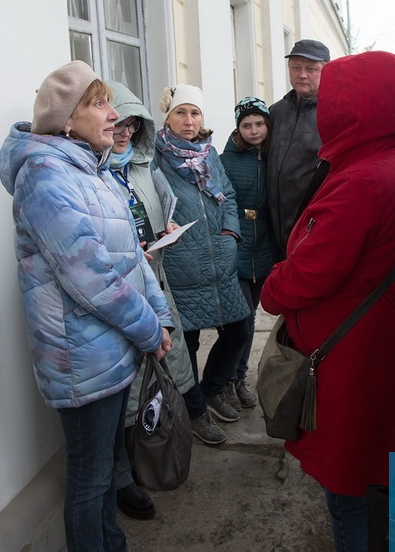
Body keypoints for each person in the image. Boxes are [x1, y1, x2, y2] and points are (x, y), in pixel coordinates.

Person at [0, 61, 173, 551]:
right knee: (90, 479)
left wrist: (157, 315)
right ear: (66, 119)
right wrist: (147, 330)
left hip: (110, 351)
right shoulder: (45, 177)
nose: (113, 113)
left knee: (102, 476)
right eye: (99, 103)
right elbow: (91, 276)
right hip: (81, 358)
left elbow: (132, 258)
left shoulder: (94, 171)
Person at [260, 51, 395, 552]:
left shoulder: (363, 179)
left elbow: (305, 277)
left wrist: (272, 281)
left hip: (351, 365)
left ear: (354, 105)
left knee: (353, 494)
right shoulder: (385, 162)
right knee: (372, 480)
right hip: (371, 349)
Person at [105, 81, 198, 520]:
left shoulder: (144, 167)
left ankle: (152, 454)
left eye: (132, 125)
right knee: (122, 393)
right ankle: (125, 476)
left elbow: (158, 212)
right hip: (118, 295)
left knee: (155, 378)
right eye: (117, 123)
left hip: (154, 284)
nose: (124, 132)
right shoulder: (92, 173)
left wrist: (165, 236)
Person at [152, 84, 250, 443]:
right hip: (181, 265)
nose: (189, 121)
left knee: (239, 329)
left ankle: (212, 387)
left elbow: (228, 196)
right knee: (185, 344)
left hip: (219, 260)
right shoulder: (155, 158)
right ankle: (195, 411)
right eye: (181, 113)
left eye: (195, 113)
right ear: (168, 117)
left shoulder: (209, 155)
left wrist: (230, 233)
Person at [219, 96, 281, 411]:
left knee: (251, 317)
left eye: (259, 124)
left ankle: (239, 378)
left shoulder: (275, 157)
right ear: (238, 128)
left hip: (264, 248)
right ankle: (226, 380)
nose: (254, 131)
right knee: (239, 320)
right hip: (238, 246)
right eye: (247, 125)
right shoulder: (224, 161)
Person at [266, 38, 330, 252]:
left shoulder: (332, 114)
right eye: (296, 68)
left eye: (311, 69)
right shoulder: (275, 112)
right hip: (273, 231)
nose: (302, 74)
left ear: (326, 71)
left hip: (313, 229)